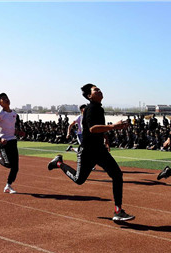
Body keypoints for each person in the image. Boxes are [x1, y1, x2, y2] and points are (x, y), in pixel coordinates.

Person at [47, 83, 134, 221]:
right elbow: (93, 128)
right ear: (89, 96)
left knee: (117, 175)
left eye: (99, 89)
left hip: (99, 150)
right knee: (79, 180)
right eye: (96, 90)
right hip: (88, 151)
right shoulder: (91, 108)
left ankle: (118, 211)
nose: (99, 91)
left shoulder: (99, 108)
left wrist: (106, 137)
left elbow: (98, 128)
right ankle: (59, 163)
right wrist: (113, 126)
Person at [0, 93, 23, 194]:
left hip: (12, 140)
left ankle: (8, 186)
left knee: (15, 167)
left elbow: (11, 128)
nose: (7, 100)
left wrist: (18, 132)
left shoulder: (14, 114)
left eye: (7, 98)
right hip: (3, 142)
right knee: (8, 164)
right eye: (4, 99)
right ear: (0, 103)